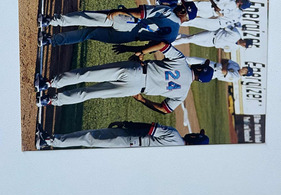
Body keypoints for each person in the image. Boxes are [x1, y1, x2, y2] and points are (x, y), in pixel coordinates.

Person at [35, 44, 214, 110]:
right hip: (134, 89)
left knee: (88, 74)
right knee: (89, 94)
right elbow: (164, 109)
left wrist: (140, 52)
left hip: (135, 71)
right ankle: (49, 101)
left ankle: (48, 83)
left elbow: (163, 45)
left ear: (199, 68)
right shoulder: (182, 93)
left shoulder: (182, 62)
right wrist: (142, 100)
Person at [37, 1, 198, 47]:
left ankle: (49, 21)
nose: (178, 5)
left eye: (181, 6)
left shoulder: (167, 12)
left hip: (126, 20)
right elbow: (150, 47)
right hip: (128, 37)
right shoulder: (173, 35)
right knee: (88, 34)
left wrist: (119, 12)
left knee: (85, 18)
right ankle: (50, 40)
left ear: (183, 12)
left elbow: (140, 13)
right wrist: (129, 48)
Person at [35, 122, 209, 150]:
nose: (193, 133)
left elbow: (149, 129)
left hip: (131, 138)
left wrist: (127, 124)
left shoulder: (175, 135)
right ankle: (52, 139)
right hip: (131, 147)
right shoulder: (177, 154)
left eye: (195, 135)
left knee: (90, 138)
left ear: (194, 139)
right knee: (90, 137)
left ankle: (48, 141)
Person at [173, 26, 253, 52]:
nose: (244, 45)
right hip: (212, 35)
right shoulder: (236, 34)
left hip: (211, 44)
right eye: (246, 44)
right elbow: (226, 26)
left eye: (245, 46)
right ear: (245, 41)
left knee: (189, 39)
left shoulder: (234, 48)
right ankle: (172, 43)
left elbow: (224, 49)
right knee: (191, 38)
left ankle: (174, 36)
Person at [184, 57, 254, 82]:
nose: (245, 67)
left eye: (246, 68)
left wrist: (225, 66)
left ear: (246, 72)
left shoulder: (236, 77)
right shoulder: (237, 65)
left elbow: (223, 71)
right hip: (212, 64)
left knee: (190, 73)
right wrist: (225, 66)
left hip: (211, 74)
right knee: (191, 60)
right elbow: (224, 60)